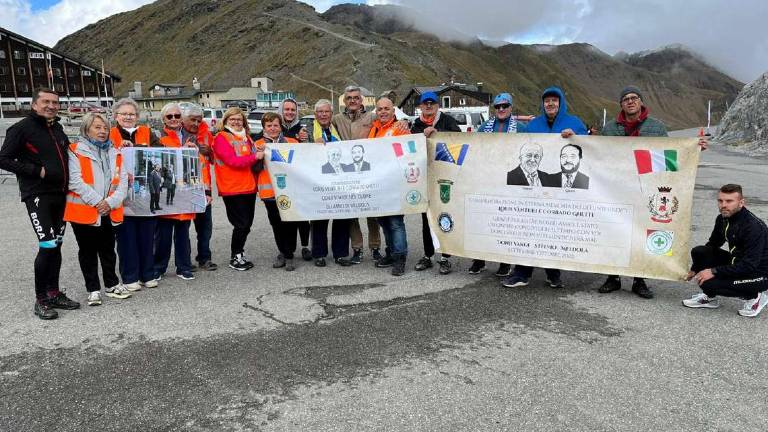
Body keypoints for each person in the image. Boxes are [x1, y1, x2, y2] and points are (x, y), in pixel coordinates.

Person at [0, 88, 80, 319]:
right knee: (47, 246)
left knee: (56, 245)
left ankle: (54, 293)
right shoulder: (21, 128)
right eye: (46, 102)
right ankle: (41, 300)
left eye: (55, 102)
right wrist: (37, 171)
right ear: (34, 104)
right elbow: (3, 158)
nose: (51, 106)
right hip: (38, 195)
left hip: (61, 195)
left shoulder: (57, 127)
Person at [503, 86, 587, 290]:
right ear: (542, 104)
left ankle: (553, 273)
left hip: (559, 187)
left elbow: (589, 147)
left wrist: (576, 137)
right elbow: (517, 147)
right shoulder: (534, 125)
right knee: (527, 228)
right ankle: (522, 272)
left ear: (561, 103)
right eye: (547, 101)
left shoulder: (574, 123)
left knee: (554, 230)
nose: (550, 104)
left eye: (554, 100)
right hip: (534, 187)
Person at [598, 86, 668, 298]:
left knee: (640, 232)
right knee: (614, 230)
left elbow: (670, 155)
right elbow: (599, 155)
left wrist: (693, 148)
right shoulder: (609, 129)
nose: (630, 101)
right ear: (621, 104)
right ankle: (613, 277)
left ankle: (639, 279)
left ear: (641, 101)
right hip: (617, 189)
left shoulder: (657, 127)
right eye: (626, 99)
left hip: (645, 188)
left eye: (634, 98)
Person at [64, 112, 131, 306]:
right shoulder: (75, 150)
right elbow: (75, 181)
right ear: (86, 129)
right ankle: (92, 289)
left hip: (108, 210)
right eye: (97, 127)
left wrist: (109, 203)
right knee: (87, 251)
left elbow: (123, 182)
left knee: (108, 249)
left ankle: (112, 284)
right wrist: (98, 202)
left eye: (105, 128)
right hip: (84, 212)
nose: (102, 131)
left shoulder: (116, 152)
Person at [683, 184, 768, 317]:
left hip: (758, 274)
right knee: (699, 252)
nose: (723, 205)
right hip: (738, 263)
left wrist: (713, 271)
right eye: (720, 200)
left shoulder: (753, 227)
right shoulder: (723, 218)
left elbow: (749, 265)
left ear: (741, 203)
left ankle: (755, 296)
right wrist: (695, 269)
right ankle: (709, 298)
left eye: (729, 201)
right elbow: (712, 245)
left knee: (709, 283)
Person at [110, 97, 162, 291]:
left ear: (137, 116)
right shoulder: (110, 134)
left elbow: (162, 152)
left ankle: (148, 273)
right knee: (126, 237)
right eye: (124, 114)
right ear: (116, 116)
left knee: (147, 236)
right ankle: (130, 276)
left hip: (145, 192)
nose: (128, 117)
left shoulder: (148, 132)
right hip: (120, 194)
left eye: (132, 114)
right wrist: (117, 149)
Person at [469, 92, 520, 277]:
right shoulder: (484, 127)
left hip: (509, 182)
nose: (501, 110)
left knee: (505, 222)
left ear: (511, 108)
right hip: (487, 180)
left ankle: (505, 262)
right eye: (497, 107)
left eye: (504, 106)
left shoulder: (519, 127)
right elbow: (474, 146)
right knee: (483, 220)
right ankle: (479, 260)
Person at [409, 91, 461, 275]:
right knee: (426, 218)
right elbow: (410, 149)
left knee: (445, 215)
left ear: (438, 105)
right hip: (424, 178)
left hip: (445, 177)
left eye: (432, 103)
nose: (429, 106)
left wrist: (439, 135)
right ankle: (428, 255)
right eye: (425, 103)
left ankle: (445, 257)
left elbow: (459, 141)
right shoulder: (415, 125)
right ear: (420, 106)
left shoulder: (447, 121)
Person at [332, 85, 383, 264]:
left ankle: (375, 247)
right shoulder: (337, 119)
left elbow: (389, 122)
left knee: (372, 213)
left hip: (368, 171)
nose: (353, 100)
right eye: (349, 98)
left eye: (356, 97)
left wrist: (402, 122)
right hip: (348, 173)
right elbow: (321, 127)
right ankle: (357, 248)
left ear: (361, 100)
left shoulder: (372, 116)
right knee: (352, 212)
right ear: (344, 101)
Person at [212, 107, 260, 271]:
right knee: (241, 224)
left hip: (248, 187)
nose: (236, 122)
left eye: (239, 119)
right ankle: (236, 255)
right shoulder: (221, 137)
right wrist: (255, 157)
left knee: (247, 224)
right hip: (232, 188)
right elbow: (233, 161)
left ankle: (239, 252)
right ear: (225, 121)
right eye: (232, 119)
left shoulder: (246, 138)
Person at [307, 99, 353, 267]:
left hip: (339, 180)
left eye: (326, 112)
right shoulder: (309, 131)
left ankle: (340, 254)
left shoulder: (337, 129)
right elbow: (302, 153)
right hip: (318, 180)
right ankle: (319, 253)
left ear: (331, 114)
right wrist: (312, 144)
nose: (324, 115)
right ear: (315, 114)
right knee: (319, 218)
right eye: (320, 112)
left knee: (341, 217)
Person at [154, 103, 196, 281]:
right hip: (166, 189)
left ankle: (184, 266)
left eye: (177, 116)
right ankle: (158, 267)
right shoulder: (157, 137)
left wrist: (206, 190)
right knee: (162, 235)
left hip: (185, 190)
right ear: (163, 119)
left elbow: (200, 164)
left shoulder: (191, 137)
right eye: (169, 116)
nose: (173, 119)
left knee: (183, 233)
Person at [368, 96, 409, 276]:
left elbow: (409, 153)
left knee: (395, 222)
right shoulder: (374, 129)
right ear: (376, 112)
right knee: (384, 222)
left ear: (393, 111)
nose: (383, 111)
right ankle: (391, 253)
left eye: (386, 108)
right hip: (378, 184)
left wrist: (405, 123)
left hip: (394, 183)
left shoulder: (399, 129)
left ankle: (400, 258)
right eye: (380, 109)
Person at [256, 112, 301, 271]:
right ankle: (284, 252)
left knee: (290, 222)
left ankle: (289, 254)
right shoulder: (257, 144)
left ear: (280, 126)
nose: (273, 128)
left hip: (289, 191)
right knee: (277, 224)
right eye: (269, 126)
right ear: (264, 128)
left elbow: (302, 162)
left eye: (276, 125)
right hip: (269, 193)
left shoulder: (291, 142)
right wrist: (258, 157)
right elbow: (254, 169)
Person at [180, 104, 218, 271]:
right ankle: (186, 261)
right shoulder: (176, 134)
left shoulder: (206, 134)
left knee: (205, 228)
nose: (195, 123)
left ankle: (204, 257)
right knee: (183, 228)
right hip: (182, 188)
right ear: (183, 119)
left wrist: (208, 151)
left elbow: (214, 158)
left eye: (199, 120)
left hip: (203, 188)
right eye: (192, 120)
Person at [278, 97, 312, 261]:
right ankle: (287, 248)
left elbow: (311, 152)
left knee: (303, 216)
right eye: (287, 109)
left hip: (300, 180)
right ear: (281, 110)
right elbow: (259, 140)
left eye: (293, 110)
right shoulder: (275, 127)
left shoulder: (302, 129)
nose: (290, 112)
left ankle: (305, 246)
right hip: (282, 182)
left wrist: (306, 140)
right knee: (285, 216)